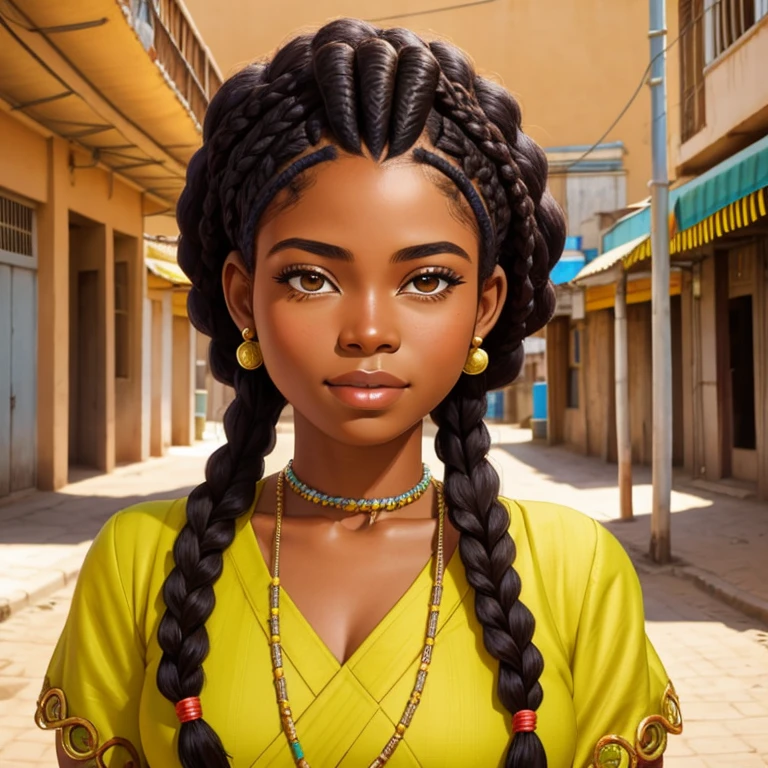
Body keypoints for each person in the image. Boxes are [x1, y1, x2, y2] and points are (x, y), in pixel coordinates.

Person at [36, 17, 682, 768]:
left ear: (485, 304)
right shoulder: (139, 563)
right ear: (244, 299)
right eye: (311, 278)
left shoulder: (577, 572)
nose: (369, 330)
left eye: (427, 280)